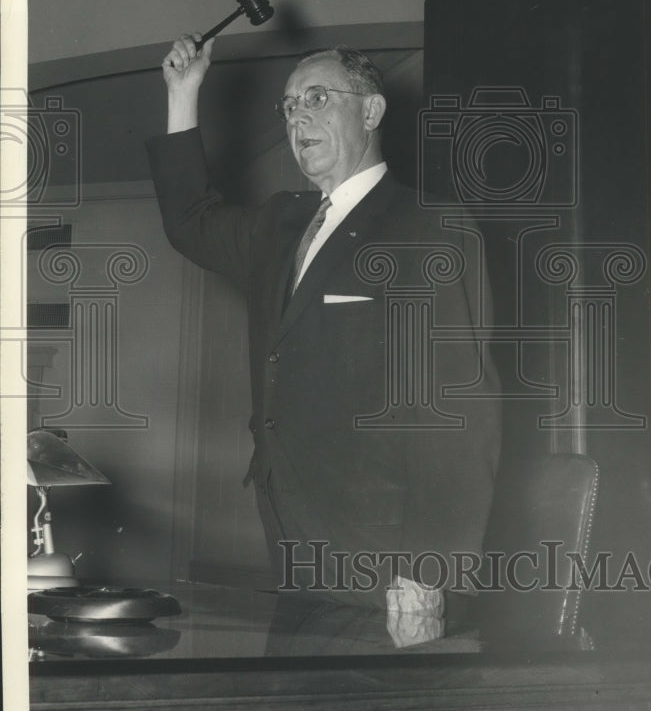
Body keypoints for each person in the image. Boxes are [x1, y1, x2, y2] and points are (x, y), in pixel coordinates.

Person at [147, 34, 501, 622]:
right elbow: (189, 222)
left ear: (370, 110)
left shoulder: (427, 224)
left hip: (384, 556)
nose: (297, 117)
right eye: (288, 106)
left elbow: (457, 408)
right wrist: (183, 94)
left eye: (316, 98)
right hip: (290, 535)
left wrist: (426, 572)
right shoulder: (280, 223)